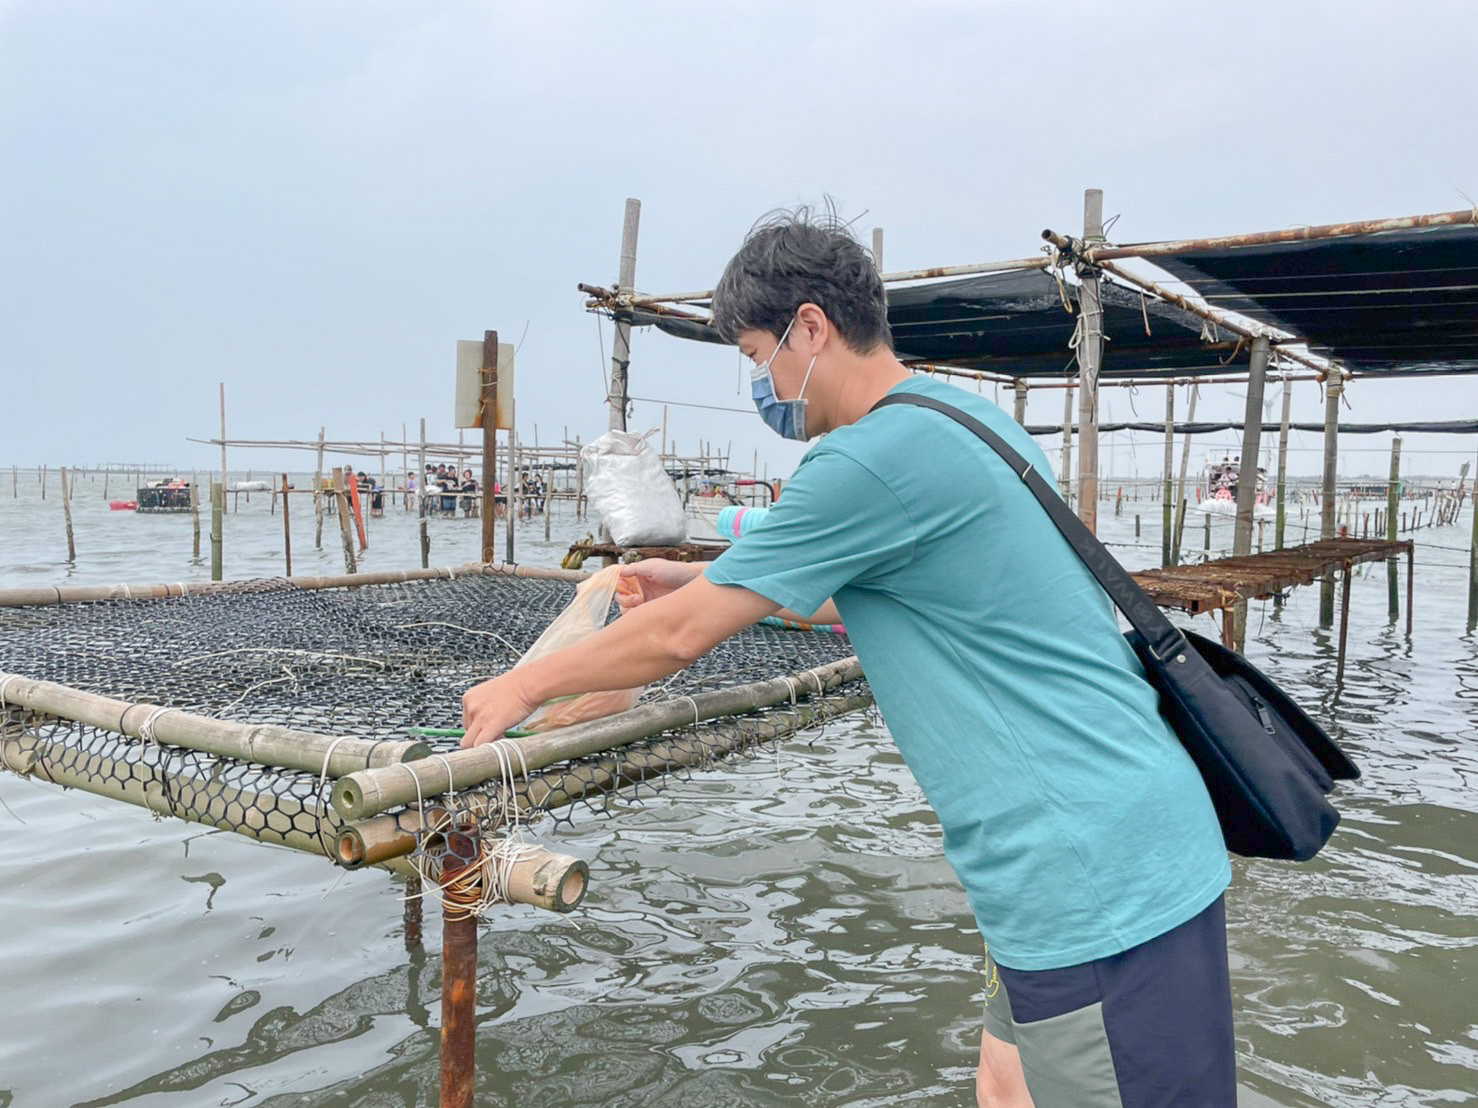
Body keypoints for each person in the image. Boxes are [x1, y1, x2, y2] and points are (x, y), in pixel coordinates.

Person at [460, 208, 1233, 1107]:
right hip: (1087, 850)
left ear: (812, 329)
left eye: (759, 356)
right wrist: (689, 572)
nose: (765, 382)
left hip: (1094, 881)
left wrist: (522, 683)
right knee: (1006, 1085)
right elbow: (893, 582)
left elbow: (678, 639)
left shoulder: (866, 458)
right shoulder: (961, 419)